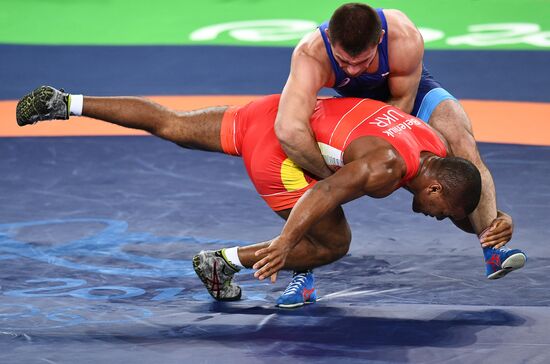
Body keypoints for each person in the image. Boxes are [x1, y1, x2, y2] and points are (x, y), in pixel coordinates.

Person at [16, 86, 526, 307]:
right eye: (443, 213)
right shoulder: (387, 167)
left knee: (171, 123)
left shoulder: (428, 142)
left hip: (278, 112)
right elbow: (325, 191)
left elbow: (462, 191)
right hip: (279, 154)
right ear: (434, 186)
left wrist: (489, 222)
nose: (438, 219)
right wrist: (286, 242)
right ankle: (224, 262)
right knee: (331, 243)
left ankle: (68, 102)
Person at [272, 2, 515, 305]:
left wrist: (380, 152)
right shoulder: (311, 53)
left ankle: (492, 244)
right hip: (348, 108)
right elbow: (288, 129)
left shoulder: (403, 37)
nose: (351, 70)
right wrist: (331, 172)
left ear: (379, 40)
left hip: (404, 101)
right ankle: (302, 272)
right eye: (343, 62)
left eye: (361, 62)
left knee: (460, 139)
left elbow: (402, 103)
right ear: (330, 43)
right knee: (303, 166)